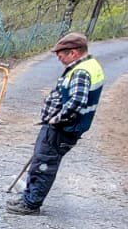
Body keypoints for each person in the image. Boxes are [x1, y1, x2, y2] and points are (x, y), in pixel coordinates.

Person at [6, 33, 105, 215]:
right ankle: (29, 197)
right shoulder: (88, 66)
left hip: (62, 129)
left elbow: (76, 102)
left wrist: (56, 119)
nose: (58, 57)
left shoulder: (81, 72)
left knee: (44, 164)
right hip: (62, 128)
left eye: (60, 54)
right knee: (40, 160)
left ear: (73, 53)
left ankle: (31, 204)